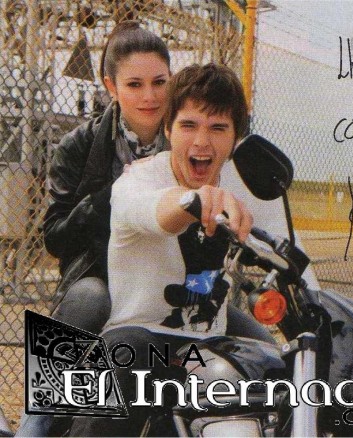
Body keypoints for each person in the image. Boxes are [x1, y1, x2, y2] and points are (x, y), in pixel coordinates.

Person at [69, 62, 253, 437]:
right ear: (167, 128)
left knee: (272, 372)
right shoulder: (137, 179)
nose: (202, 141)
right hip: (139, 339)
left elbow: (296, 264)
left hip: (205, 349)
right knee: (128, 352)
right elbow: (154, 210)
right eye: (188, 125)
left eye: (218, 128)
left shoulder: (245, 190)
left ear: (235, 138)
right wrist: (194, 201)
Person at [42, 20, 171, 334]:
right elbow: (55, 238)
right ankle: (54, 367)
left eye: (159, 82)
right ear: (112, 87)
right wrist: (106, 200)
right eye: (134, 85)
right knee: (91, 298)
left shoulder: (189, 139)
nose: (150, 96)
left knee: (254, 340)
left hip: (171, 276)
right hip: (100, 274)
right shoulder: (78, 145)